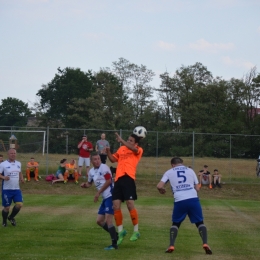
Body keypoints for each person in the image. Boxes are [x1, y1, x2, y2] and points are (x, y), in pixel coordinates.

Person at [157, 157, 212, 255]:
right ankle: (205, 243)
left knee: (176, 223)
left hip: (180, 199)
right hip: (193, 199)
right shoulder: (190, 170)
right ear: (182, 163)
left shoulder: (169, 172)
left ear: (172, 165)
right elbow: (197, 188)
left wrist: (162, 190)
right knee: (200, 222)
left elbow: (159, 186)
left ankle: (171, 245)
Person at [106, 132, 143, 245]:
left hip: (128, 177)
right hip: (118, 178)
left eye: (131, 140)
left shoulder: (138, 149)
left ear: (136, 143)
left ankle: (136, 231)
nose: (129, 142)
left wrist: (122, 141)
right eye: (128, 140)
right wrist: (108, 150)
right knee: (116, 205)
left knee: (130, 204)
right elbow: (113, 159)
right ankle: (121, 231)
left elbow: (134, 149)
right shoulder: (122, 149)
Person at [81, 152, 118, 250]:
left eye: (98, 159)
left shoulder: (104, 167)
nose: (97, 161)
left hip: (110, 195)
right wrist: (85, 185)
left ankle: (114, 244)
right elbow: (89, 183)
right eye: (95, 159)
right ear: (91, 161)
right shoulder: (91, 172)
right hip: (105, 198)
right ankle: (115, 235)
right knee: (99, 221)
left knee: (108, 220)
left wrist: (98, 193)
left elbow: (108, 181)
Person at [0, 149, 24, 227]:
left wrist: (22, 178)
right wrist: (4, 177)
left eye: (14, 153)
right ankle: (4, 222)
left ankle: (11, 217)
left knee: (19, 205)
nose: (13, 154)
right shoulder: (3, 164)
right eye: (11, 153)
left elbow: (20, 172)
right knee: (7, 208)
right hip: (6, 190)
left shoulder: (18, 163)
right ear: (8, 154)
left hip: (16, 189)